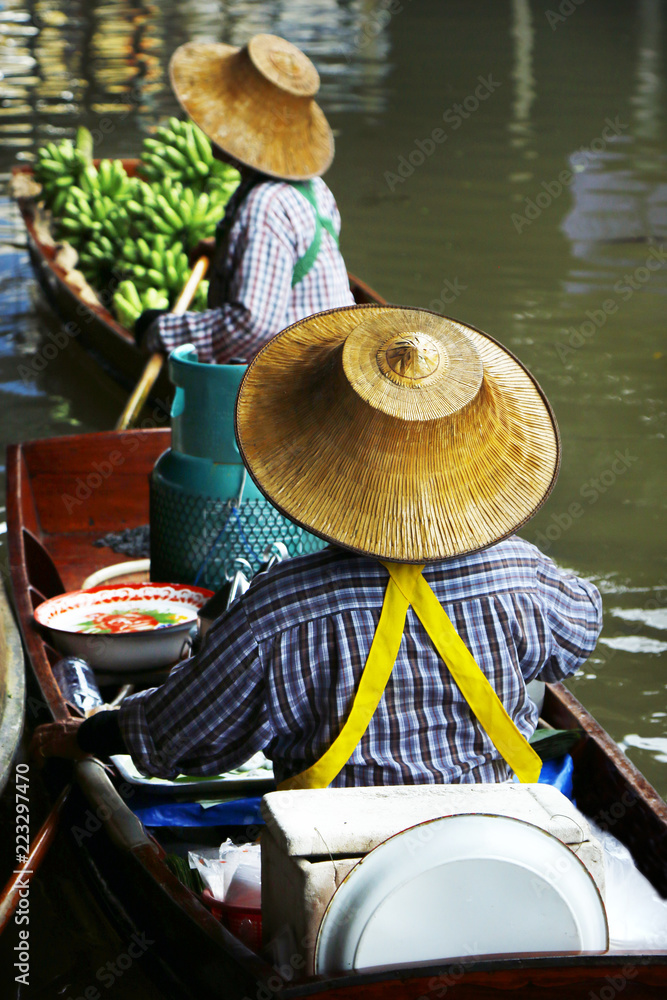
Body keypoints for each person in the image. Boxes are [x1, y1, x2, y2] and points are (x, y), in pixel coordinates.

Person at [32, 305, 603, 788]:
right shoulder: (524, 574)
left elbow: (178, 737)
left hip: (336, 866)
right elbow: (580, 633)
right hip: (499, 841)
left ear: (317, 470)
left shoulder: (278, 609)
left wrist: (89, 733)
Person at [134, 34, 354, 364]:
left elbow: (251, 326)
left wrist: (161, 329)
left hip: (291, 375)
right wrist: (225, 256)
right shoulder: (313, 187)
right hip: (330, 354)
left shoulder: (265, 206)